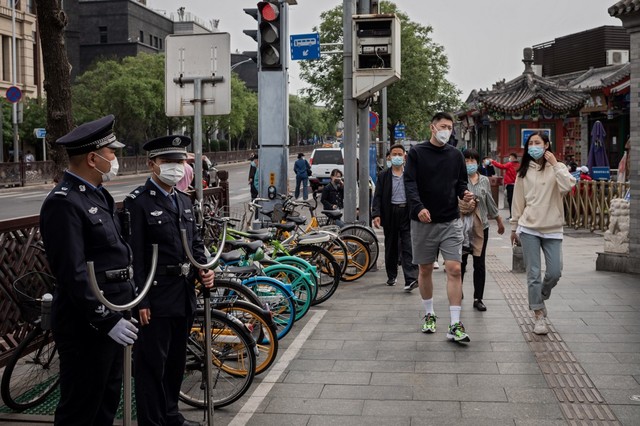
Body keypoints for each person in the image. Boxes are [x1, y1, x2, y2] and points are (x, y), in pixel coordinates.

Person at [39, 115, 138, 425]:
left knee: (106, 406)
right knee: (80, 410)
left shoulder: (99, 195)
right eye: (112, 153)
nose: (116, 159)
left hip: (114, 315)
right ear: (93, 158)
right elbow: (72, 273)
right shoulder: (63, 203)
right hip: (87, 326)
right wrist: (105, 319)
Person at [124, 135, 214, 426]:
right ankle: (152, 422)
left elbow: (195, 243)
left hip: (183, 292)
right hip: (156, 296)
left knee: (176, 362)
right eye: (168, 162)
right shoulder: (138, 202)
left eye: (180, 162)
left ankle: (171, 415)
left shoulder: (184, 200)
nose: (176, 167)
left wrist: (205, 268)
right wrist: (142, 300)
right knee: (152, 365)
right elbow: (134, 256)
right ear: (152, 164)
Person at [404, 112, 474, 343]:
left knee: (454, 268)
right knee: (425, 270)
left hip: (450, 221)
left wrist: (465, 194)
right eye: (443, 126)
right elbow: (410, 183)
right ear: (432, 128)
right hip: (423, 221)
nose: (447, 130)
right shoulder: (417, 153)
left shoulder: (455, 155)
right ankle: (429, 313)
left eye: (450, 127)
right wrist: (418, 207)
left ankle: (455, 324)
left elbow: (461, 182)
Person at [510, 131, 575, 335]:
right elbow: (518, 201)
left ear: (547, 145)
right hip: (529, 227)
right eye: (530, 143)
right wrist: (514, 227)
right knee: (534, 274)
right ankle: (538, 314)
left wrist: (555, 164)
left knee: (555, 272)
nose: (533, 146)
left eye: (537, 142)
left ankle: (541, 296)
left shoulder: (559, 168)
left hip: (553, 228)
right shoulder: (523, 171)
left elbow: (568, 186)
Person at [460, 149, 505, 312]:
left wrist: (499, 221)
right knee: (461, 262)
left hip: (481, 227)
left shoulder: (484, 180)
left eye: (472, 160)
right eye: (466, 160)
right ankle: (457, 291)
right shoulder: (459, 179)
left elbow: (490, 202)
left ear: (477, 162)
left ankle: (478, 298)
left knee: (479, 263)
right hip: (462, 228)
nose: (469, 163)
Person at [372, 143, 418, 292]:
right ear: (389, 157)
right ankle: (391, 275)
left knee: (407, 245)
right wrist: (376, 214)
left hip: (407, 212)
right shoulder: (383, 176)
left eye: (400, 154)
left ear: (405, 156)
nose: (397, 157)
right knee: (391, 246)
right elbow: (377, 196)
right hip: (390, 212)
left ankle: (411, 279)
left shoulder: (411, 174)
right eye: (394, 154)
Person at [491, 152, 519, 218]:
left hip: (510, 185)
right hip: (517, 185)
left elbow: (501, 166)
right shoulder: (518, 165)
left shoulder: (509, 164)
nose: (509, 158)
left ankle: (512, 215)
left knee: (510, 200)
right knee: (516, 201)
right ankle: (515, 215)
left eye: (510, 157)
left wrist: (493, 162)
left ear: (513, 158)